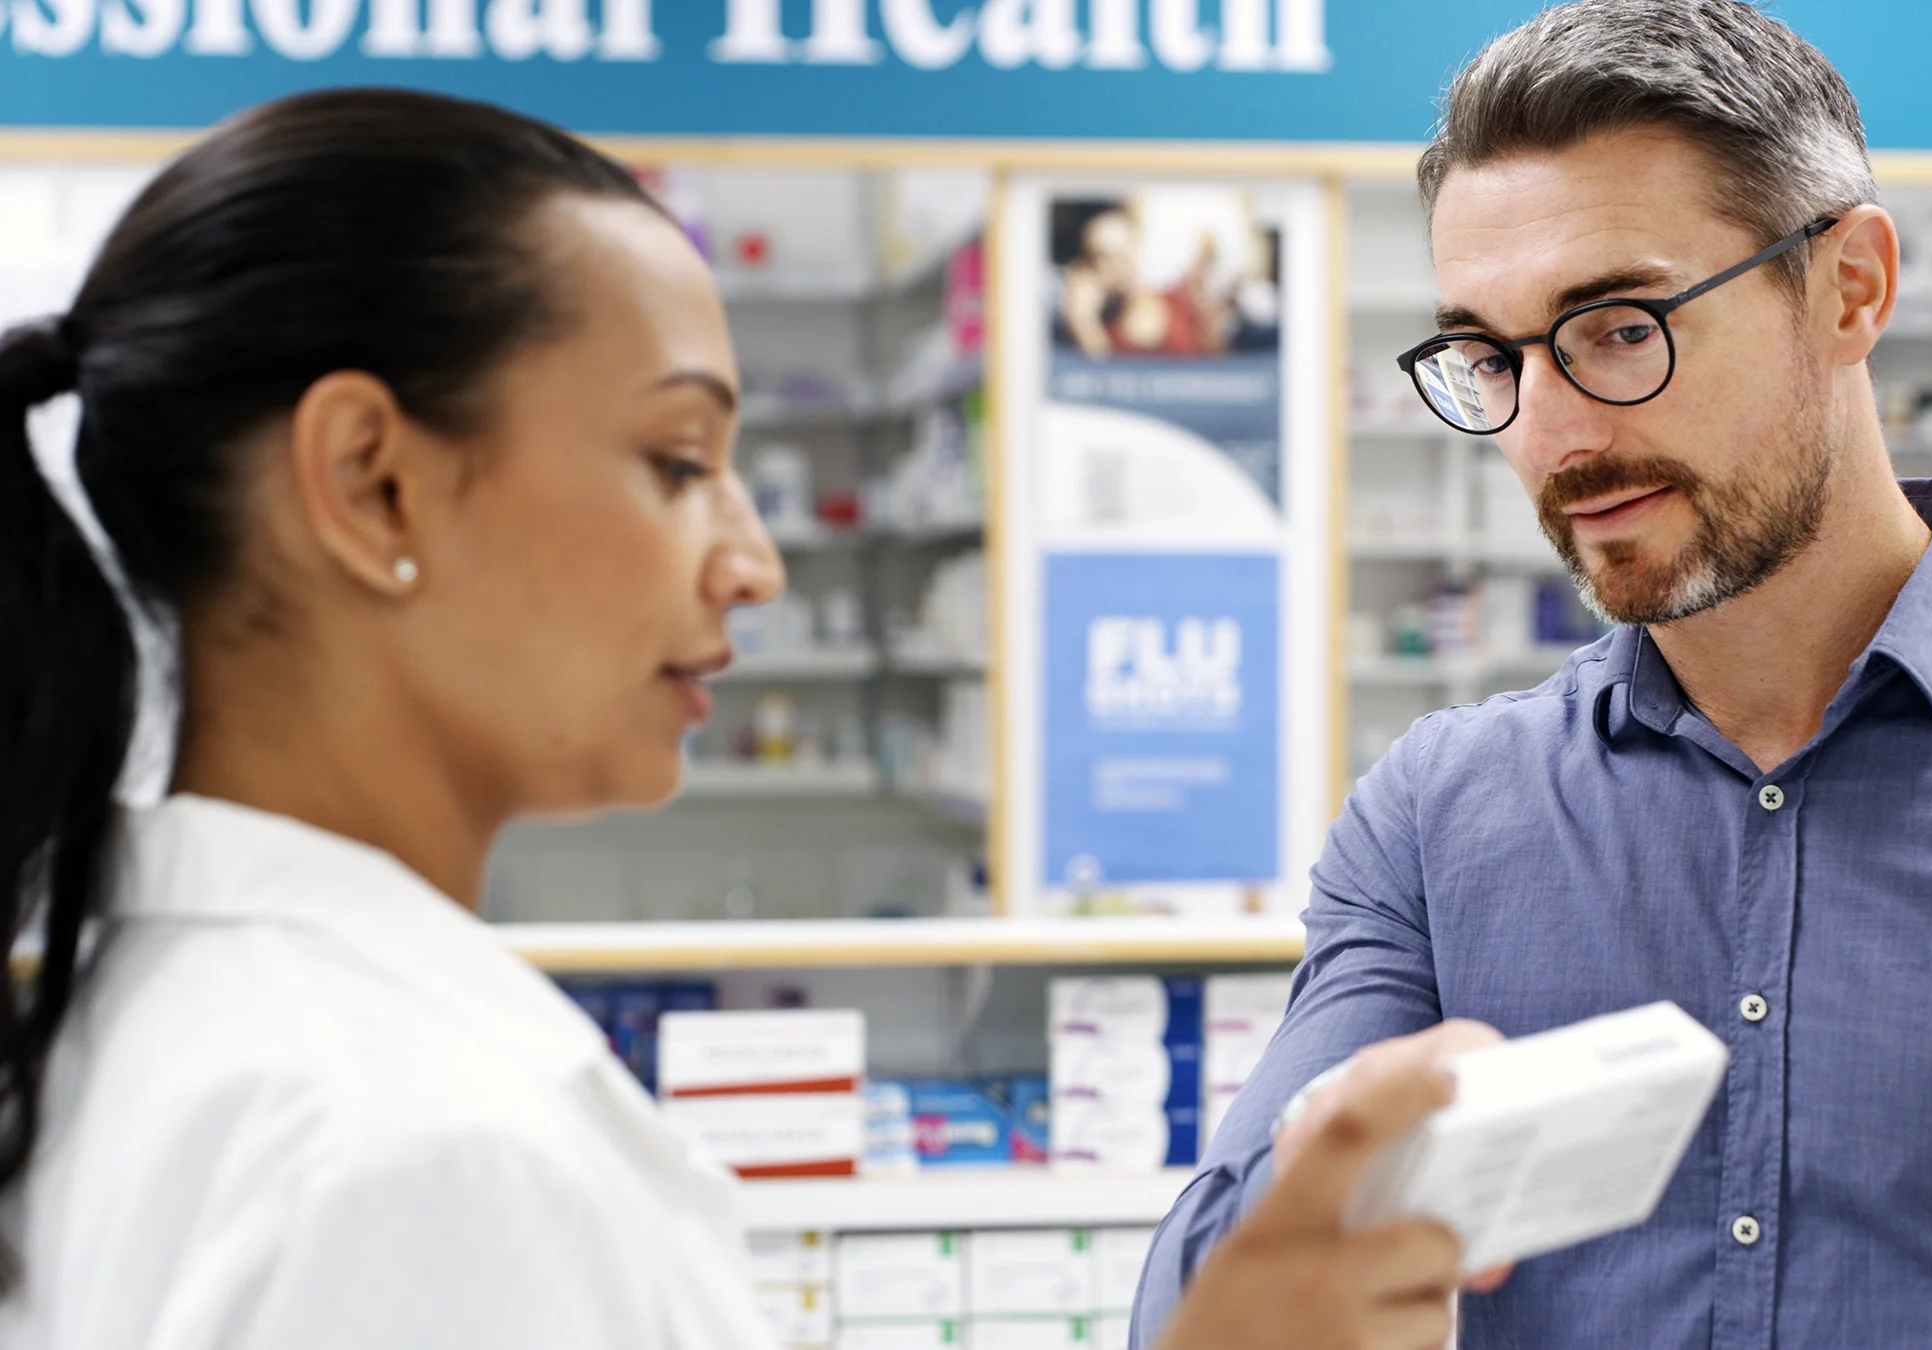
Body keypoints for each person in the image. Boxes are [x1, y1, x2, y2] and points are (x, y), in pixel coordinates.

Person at [0, 90, 1472, 1350]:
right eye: (675, 456)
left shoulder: (150, 1012)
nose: (753, 559)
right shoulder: (406, 1148)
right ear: (373, 478)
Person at [1133, 3, 1932, 1347]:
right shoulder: (1441, 822)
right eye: (1492, 357)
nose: (1551, 432)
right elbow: (1201, 1310)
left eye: (1618, 326)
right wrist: (1321, 1184)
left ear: (1850, 286)